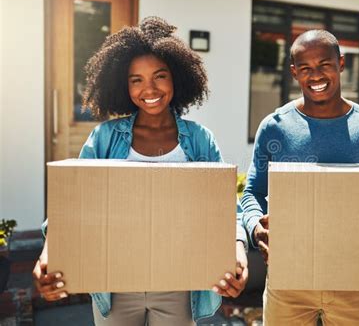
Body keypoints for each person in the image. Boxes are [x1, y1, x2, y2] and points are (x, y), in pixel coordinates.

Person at [33, 17, 248, 326]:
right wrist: (48, 253)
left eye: (160, 76)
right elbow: (72, 203)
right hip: (115, 282)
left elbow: (228, 208)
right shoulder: (104, 137)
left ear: (177, 78)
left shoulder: (200, 139)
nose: (149, 88)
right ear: (123, 84)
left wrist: (237, 251)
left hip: (178, 284)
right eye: (136, 79)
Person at [241, 29, 359, 325]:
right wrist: (256, 228)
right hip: (289, 279)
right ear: (294, 72)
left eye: (324, 65)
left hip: (355, 280)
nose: (316, 75)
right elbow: (252, 192)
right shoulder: (274, 127)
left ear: (341, 63)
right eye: (306, 68)